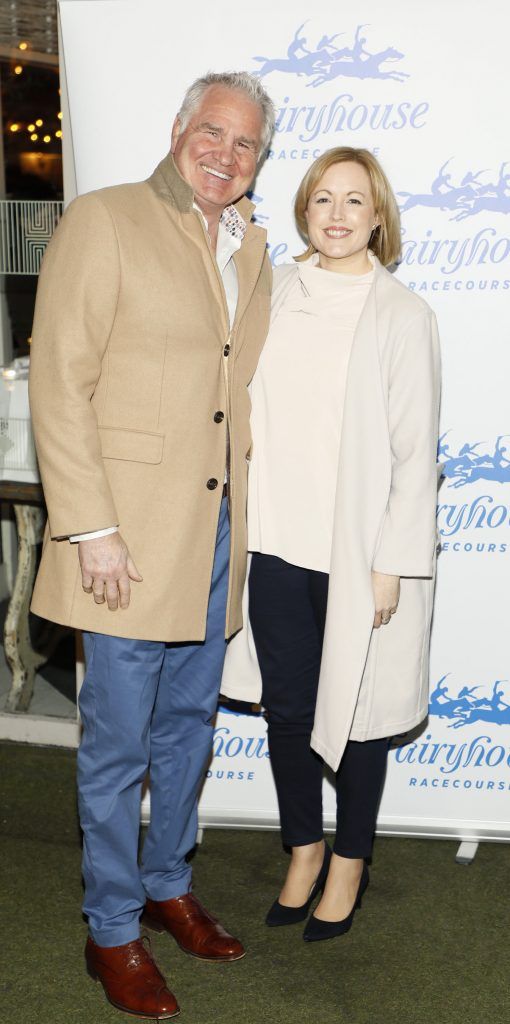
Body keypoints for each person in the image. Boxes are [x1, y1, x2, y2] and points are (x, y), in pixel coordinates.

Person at [29, 71, 275, 1018]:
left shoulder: (251, 247)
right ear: (179, 131)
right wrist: (90, 525)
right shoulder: (105, 219)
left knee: (188, 730)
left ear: (259, 158)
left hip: (215, 536)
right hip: (121, 541)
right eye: (212, 131)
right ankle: (112, 930)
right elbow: (60, 380)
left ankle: (169, 884)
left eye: (246, 142)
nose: (226, 152)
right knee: (118, 745)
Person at [222, 147, 441, 942]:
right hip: (275, 540)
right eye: (323, 200)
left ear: (378, 214)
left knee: (361, 713)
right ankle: (304, 849)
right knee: (288, 709)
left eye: (355, 201)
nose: (339, 215)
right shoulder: (270, 291)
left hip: (360, 554)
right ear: (303, 210)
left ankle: (351, 860)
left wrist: (392, 563)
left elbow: (419, 451)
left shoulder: (403, 313)